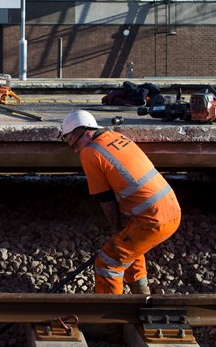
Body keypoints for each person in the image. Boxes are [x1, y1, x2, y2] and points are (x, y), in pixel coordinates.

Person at [60, 110, 181, 295]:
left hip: (152, 220)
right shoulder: (116, 137)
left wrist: (115, 227)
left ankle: (109, 319)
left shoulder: (90, 152)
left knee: (107, 262)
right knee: (130, 248)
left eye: (75, 144)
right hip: (171, 209)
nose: (76, 151)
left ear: (87, 133)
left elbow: (105, 198)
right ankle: (141, 297)